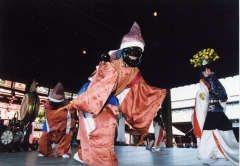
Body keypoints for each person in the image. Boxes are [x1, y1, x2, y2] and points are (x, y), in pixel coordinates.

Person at [58, 22, 167, 165]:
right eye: (131, 52)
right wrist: (104, 66)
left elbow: (134, 93)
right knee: (99, 132)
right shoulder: (111, 64)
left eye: (137, 54)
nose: (134, 57)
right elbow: (97, 80)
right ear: (123, 51)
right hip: (92, 98)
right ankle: (95, 160)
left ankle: (83, 155)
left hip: (109, 101)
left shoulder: (135, 73)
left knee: (105, 133)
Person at [190, 48, 239, 166]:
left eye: (204, 70)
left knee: (214, 135)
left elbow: (211, 98)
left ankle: (210, 155)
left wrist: (209, 78)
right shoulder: (213, 82)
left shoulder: (209, 82)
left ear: (207, 70)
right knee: (216, 135)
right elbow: (222, 97)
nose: (203, 73)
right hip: (216, 113)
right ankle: (216, 155)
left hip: (213, 113)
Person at [38, 82, 76, 158]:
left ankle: (63, 151)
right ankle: (45, 151)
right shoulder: (48, 102)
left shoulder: (67, 103)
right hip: (50, 122)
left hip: (63, 123)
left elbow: (72, 109)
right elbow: (48, 110)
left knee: (67, 135)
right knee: (45, 135)